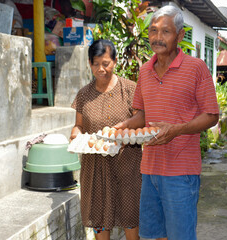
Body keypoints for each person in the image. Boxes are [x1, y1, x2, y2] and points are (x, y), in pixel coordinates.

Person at [113, 5, 219, 240]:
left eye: (165, 32)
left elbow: (212, 115)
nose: (157, 38)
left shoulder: (196, 68)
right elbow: (143, 115)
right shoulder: (144, 71)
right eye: (153, 31)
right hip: (149, 170)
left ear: (180, 36)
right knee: (152, 236)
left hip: (181, 172)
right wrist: (125, 126)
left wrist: (177, 130)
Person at [70, 39, 142, 240]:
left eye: (106, 63)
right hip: (95, 169)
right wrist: (75, 134)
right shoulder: (84, 95)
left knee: (130, 217)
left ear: (115, 62)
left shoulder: (129, 89)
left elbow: (142, 117)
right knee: (99, 219)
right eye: (95, 64)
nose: (100, 69)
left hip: (126, 165)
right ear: (89, 64)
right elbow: (79, 125)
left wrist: (123, 127)